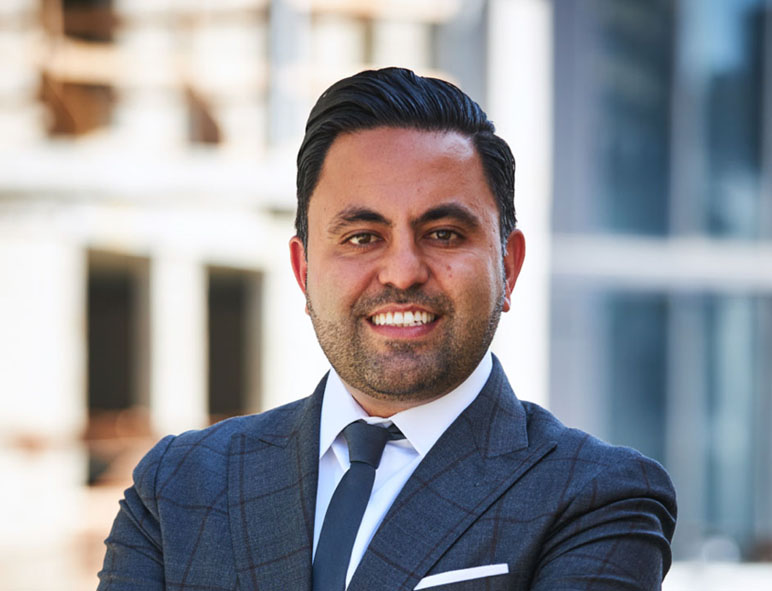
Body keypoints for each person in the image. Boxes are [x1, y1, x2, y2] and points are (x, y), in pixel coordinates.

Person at [98, 67, 676, 591]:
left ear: (509, 267)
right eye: (362, 237)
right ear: (304, 271)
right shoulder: (177, 487)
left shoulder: (598, 498)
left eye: (444, 234)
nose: (402, 271)